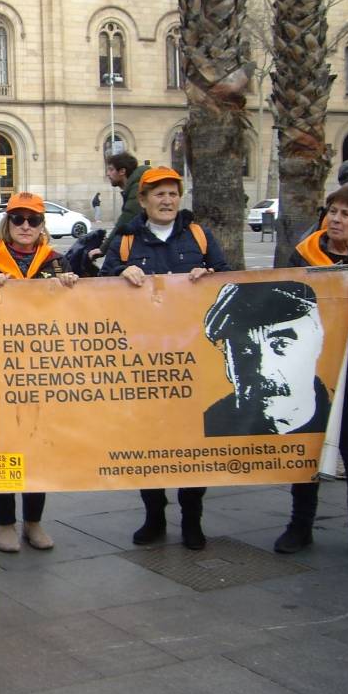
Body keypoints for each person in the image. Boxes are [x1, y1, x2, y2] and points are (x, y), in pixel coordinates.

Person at [101, 167, 229, 550]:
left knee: (192, 441)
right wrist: (124, 272)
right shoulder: (124, 240)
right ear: (143, 200)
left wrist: (209, 276)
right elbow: (101, 282)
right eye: (159, 194)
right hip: (144, 358)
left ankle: (192, 518)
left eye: (173, 193)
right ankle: (154, 514)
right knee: (147, 439)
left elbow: (226, 278)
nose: (167, 200)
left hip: (195, 356)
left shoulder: (200, 236)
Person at [0, 192, 77, 554]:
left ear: (42, 226)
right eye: (18, 219)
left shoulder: (58, 262)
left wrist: (72, 287)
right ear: (7, 223)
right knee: (3, 442)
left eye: (32, 220)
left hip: (42, 368)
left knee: (39, 442)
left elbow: (81, 310)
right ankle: (5, 521)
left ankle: (34, 521)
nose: (25, 226)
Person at [275, 185, 348, 557]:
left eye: (346, 215)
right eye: (332, 211)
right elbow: (282, 300)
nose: (336, 220)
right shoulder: (304, 253)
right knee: (307, 454)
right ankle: (300, 527)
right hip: (312, 370)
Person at [203, 282, 330, 437]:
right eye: (245, 349)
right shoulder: (209, 428)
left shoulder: (341, 418)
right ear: (228, 362)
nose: (263, 369)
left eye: (282, 345)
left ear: (316, 345)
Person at [90, 152, 149, 260]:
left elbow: (126, 219)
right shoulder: (134, 186)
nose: (108, 174)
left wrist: (103, 248)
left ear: (122, 171)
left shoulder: (137, 187)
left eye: (111, 169)